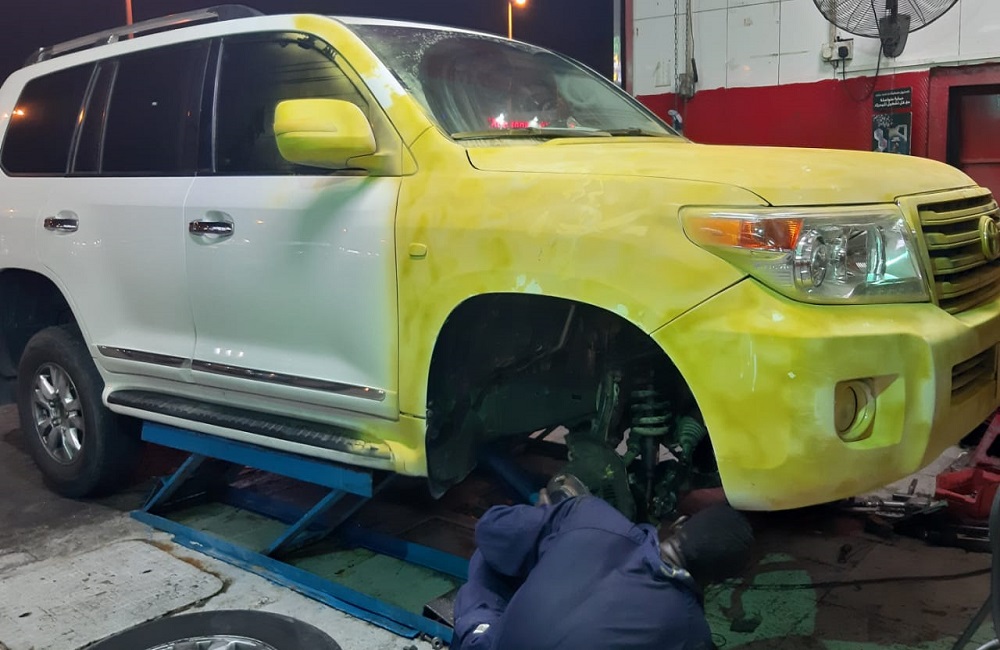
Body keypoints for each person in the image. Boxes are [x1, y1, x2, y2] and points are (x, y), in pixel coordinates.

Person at [452, 474, 754, 650]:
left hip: (492, 643)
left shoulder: (590, 515)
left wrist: (548, 520)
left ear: (679, 524)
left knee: (493, 554)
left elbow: (490, 530)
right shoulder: (691, 631)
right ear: (717, 581)